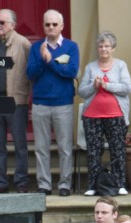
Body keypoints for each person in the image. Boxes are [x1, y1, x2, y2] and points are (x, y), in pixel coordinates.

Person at [27, 10, 79, 196]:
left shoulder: (71, 47)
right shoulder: (36, 48)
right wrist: (43, 60)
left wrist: (50, 62)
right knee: (41, 148)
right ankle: (44, 185)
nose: (50, 27)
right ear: (43, 26)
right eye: (47, 24)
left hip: (63, 103)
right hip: (40, 103)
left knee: (64, 147)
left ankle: (64, 185)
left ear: (61, 26)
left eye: (54, 24)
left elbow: (71, 72)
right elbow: (31, 74)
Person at [0, 9, 31, 194]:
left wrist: (27, 97)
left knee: (20, 144)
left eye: (2, 22)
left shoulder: (23, 44)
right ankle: (0, 182)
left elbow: (31, 72)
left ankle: (21, 182)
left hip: (15, 101)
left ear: (13, 24)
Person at [78, 31, 131, 197]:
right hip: (92, 116)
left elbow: (127, 88)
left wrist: (107, 85)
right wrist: (94, 86)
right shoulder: (90, 67)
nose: (103, 49)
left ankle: (120, 184)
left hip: (115, 115)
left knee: (117, 150)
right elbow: (81, 91)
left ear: (113, 48)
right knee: (94, 151)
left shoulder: (120, 65)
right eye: (100, 46)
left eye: (107, 46)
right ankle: (93, 185)